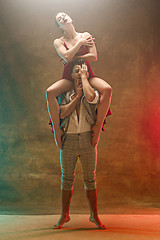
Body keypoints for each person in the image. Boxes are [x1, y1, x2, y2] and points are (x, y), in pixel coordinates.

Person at [46, 12, 112, 149]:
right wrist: (80, 44)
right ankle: (57, 130)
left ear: (70, 18)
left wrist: (72, 56)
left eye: (64, 15)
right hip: (69, 77)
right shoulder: (58, 41)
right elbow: (66, 56)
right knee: (50, 92)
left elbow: (93, 56)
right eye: (59, 18)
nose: (63, 17)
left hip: (87, 74)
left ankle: (97, 127)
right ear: (59, 26)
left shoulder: (85, 35)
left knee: (107, 89)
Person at [54, 60, 106, 229]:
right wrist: (76, 96)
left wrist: (85, 80)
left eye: (81, 71)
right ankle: (64, 216)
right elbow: (62, 113)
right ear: (70, 75)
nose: (78, 74)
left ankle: (94, 216)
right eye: (75, 71)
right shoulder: (64, 94)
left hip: (87, 140)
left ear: (86, 73)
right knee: (66, 179)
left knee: (90, 179)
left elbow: (92, 98)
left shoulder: (91, 90)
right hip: (69, 139)